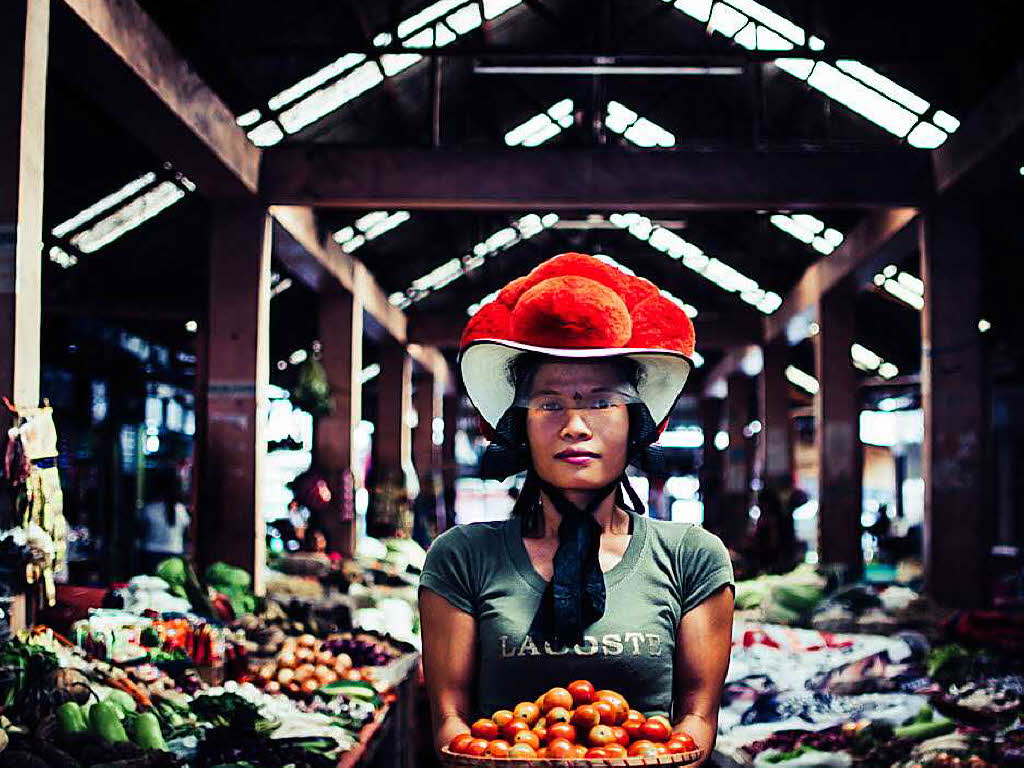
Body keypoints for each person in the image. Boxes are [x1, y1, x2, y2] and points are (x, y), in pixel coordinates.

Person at [419, 253, 734, 764]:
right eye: (549, 404)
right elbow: (450, 722)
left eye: (601, 402)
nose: (575, 426)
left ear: (635, 423)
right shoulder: (462, 556)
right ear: (520, 428)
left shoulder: (691, 556)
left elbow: (697, 721)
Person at [138, 469, 190, 574]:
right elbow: (186, 536)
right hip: (175, 556)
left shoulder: (149, 510)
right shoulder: (181, 510)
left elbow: (140, 534)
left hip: (151, 556)